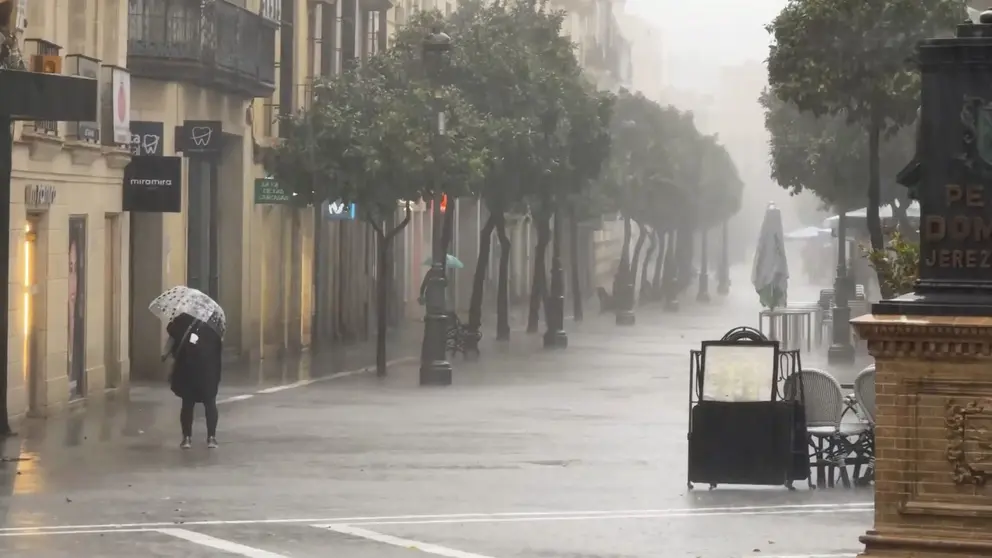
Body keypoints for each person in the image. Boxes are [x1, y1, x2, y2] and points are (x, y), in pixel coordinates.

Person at [164, 312, 223, 449]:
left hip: (198, 367)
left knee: (197, 402)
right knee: (200, 402)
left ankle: (196, 437)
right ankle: (203, 437)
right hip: (199, 368)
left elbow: (172, 337)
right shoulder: (210, 321)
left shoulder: (188, 319)